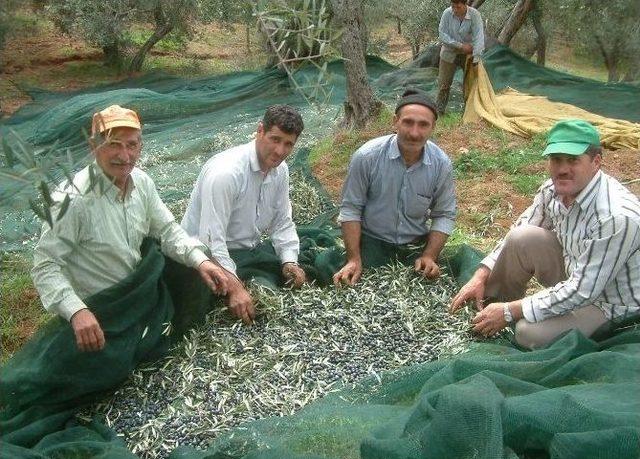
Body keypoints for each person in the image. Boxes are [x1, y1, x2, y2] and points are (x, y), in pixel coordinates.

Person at [31, 104, 229, 352]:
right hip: (102, 305)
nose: (124, 156)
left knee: (196, 269)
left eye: (131, 145)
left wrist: (202, 261)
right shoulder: (71, 200)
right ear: (93, 147)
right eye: (113, 144)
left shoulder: (142, 183)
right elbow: (45, 266)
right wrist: (77, 311)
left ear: (140, 147)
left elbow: (167, 230)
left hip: (138, 289)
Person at [450, 119, 640, 349]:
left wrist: (512, 312)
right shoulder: (553, 190)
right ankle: (491, 308)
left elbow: (583, 291)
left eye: (573, 161)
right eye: (556, 159)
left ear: (596, 162)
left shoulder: (615, 216)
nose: (562, 169)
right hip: (576, 270)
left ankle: (506, 314)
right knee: (522, 237)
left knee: (529, 333)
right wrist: (480, 276)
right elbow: (519, 230)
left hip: (609, 303)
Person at [181, 105, 307, 323]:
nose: (280, 151)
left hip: (248, 249)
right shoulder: (227, 173)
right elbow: (211, 241)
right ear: (259, 130)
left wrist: (289, 261)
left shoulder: (280, 170)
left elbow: (282, 221)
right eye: (275, 139)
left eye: (288, 144)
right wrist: (234, 287)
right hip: (206, 256)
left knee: (287, 279)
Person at [333, 88, 457, 286]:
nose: (414, 133)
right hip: (371, 242)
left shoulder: (441, 164)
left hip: (414, 246)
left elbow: (444, 214)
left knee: (457, 272)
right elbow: (351, 208)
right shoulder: (367, 156)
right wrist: (354, 259)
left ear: (433, 127)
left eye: (423, 125)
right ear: (395, 122)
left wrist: (429, 255)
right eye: (408, 122)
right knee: (327, 266)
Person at [436, 0, 484, 115]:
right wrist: (460, 46)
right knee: (444, 83)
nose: (455, 10)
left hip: (469, 55)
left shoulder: (474, 15)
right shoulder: (447, 13)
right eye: (453, 6)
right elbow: (442, 35)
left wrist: (477, 57)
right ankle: (439, 111)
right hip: (449, 52)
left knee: (470, 83)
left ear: (465, 5)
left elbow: (479, 36)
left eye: (458, 7)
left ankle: (469, 112)